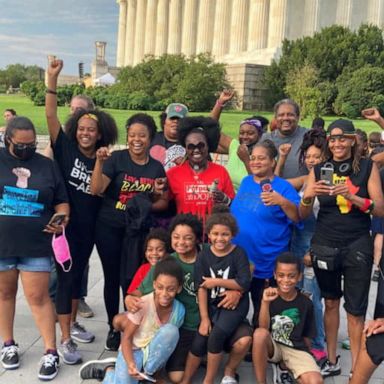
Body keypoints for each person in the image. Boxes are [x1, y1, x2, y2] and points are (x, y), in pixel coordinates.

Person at [45, 58, 118, 364]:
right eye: (82, 128)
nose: (86, 133)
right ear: (75, 130)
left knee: (76, 280)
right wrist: (52, 79)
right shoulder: (65, 147)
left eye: (92, 129)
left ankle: (71, 323)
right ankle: (64, 340)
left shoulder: (104, 159)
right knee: (65, 280)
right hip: (66, 226)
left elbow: (96, 190)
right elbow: (50, 114)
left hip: (90, 228)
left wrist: (101, 160)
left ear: (101, 134)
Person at [299, 119, 384, 377]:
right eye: (332, 139)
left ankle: (358, 367)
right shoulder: (319, 168)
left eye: (342, 138)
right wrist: (308, 194)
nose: (337, 143)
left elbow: (380, 208)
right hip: (325, 243)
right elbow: (302, 214)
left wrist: (352, 197)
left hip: (357, 244)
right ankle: (332, 358)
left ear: (352, 140)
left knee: (356, 311)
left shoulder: (367, 167)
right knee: (331, 303)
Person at [125, 214, 243, 383]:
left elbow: (248, 267)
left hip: (217, 317)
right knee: (176, 376)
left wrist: (236, 291)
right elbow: (140, 291)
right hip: (185, 326)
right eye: (176, 237)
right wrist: (129, 298)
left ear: (197, 239)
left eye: (187, 238)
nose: (181, 242)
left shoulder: (211, 252)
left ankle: (225, 368)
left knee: (243, 340)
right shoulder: (168, 263)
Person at [90, 113, 168, 351]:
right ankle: (114, 326)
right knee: (113, 278)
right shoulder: (116, 159)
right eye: (132, 135)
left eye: (142, 135)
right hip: (110, 227)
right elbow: (96, 189)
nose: (137, 139)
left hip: (137, 231)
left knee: (133, 279)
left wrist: (149, 200)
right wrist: (100, 162)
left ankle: (132, 324)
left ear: (151, 138)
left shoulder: (156, 167)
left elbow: (163, 202)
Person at [0, 116, 69, 380]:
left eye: (31, 145)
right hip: (3, 242)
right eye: (21, 145)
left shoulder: (47, 166)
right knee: (4, 294)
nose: (27, 150)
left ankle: (50, 351)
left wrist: (62, 219)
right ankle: (8, 344)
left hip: (36, 244)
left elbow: (62, 202)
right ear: (8, 140)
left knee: (38, 298)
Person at [79, 257, 186, 383]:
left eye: (171, 289)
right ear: (154, 285)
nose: (164, 293)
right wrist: (130, 364)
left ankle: (147, 375)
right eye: (160, 287)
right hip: (133, 351)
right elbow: (127, 338)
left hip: (151, 353)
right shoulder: (142, 305)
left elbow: (165, 347)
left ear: (179, 288)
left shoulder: (179, 310)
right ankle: (108, 371)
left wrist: (157, 375)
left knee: (171, 331)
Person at [230, 140, 301, 327]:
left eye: (261, 158)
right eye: (253, 158)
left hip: (266, 261)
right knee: (235, 307)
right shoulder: (246, 181)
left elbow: (297, 217)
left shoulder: (283, 187)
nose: (255, 162)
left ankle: (260, 349)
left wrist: (282, 202)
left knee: (262, 308)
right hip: (240, 260)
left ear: (272, 161)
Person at [180, 210, 252, 384]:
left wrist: (216, 281)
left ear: (232, 234)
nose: (220, 238)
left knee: (216, 335)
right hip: (212, 305)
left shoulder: (238, 253)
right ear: (209, 234)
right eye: (216, 234)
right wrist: (204, 318)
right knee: (200, 339)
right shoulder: (204, 255)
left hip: (234, 306)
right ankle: (186, 380)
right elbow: (202, 288)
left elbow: (244, 282)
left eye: (225, 234)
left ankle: (208, 380)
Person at [275, 129, 328, 361]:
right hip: (295, 245)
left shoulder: (325, 183)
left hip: (311, 247)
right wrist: (283, 159)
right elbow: (277, 182)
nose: (312, 160)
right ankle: (299, 340)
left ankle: (318, 345)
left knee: (312, 298)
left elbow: (327, 222)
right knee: (299, 296)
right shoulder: (306, 179)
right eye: (308, 156)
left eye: (317, 157)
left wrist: (312, 250)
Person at [252, 252, 323, 384]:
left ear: (299, 277)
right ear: (275, 275)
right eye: (281, 275)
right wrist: (265, 302)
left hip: (295, 348)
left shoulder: (306, 302)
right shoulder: (270, 295)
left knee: (315, 381)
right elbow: (262, 328)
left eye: (291, 276)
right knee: (259, 334)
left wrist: (306, 360)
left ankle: (284, 367)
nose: (285, 280)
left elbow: (308, 335)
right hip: (273, 346)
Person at [167, 116, 235, 219]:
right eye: (191, 146)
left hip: (213, 232)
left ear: (208, 146)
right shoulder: (173, 173)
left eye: (201, 145)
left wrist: (223, 198)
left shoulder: (221, 171)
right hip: (185, 232)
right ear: (185, 148)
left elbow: (233, 205)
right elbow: (164, 204)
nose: (196, 150)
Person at [112, 228, 170, 332]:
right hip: (144, 311)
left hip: (164, 313)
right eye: (150, 249)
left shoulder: (170, 269)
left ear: (167, 252)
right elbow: (133, 294)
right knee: (117, 321)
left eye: (160, 250)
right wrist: (129, 299)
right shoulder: (143, 269)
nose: (154, 253)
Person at [210, 90, 266, 191]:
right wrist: (220, 103)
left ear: (260, 135)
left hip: (248, 201)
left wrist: (246, 160)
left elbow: (259, 185)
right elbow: (210, 129)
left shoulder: (265, 154)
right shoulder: (235, 146)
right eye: (242, 133)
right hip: (226, 200)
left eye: (250, 133)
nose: (245, 137)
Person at [261, 99, 308, 179]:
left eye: (290, 115)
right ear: (275, 118)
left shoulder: (308, 136)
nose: (285, 118)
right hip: (271, 188)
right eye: (281, 115)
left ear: (298, 117)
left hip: (303, 189)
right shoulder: (266, 139)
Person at [149, 103, 188, 170]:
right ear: (164, 121)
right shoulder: (151, 138)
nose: (175, 121)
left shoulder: (193, 142)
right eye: (172, 118)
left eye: (180, 119)